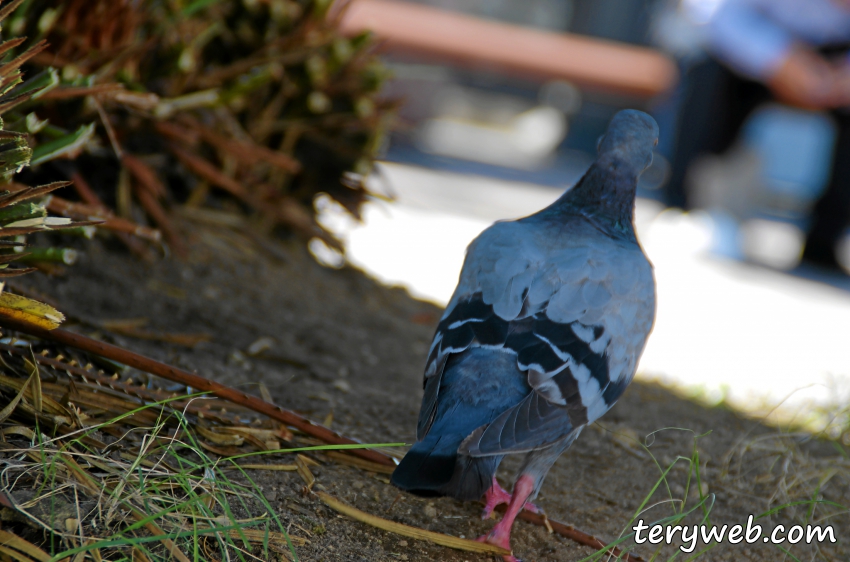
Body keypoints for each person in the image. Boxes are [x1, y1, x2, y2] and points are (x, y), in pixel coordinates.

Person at [666, 0, 850, 272]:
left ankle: (826, 241)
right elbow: (707, 12)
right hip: (753, 47)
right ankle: (683, 207)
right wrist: (778, 57)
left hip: (837, 62)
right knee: (704, 71)